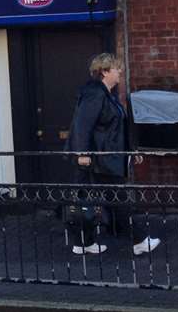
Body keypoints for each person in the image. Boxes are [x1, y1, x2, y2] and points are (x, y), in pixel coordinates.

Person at [64, 53, 160, 257]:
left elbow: (116, 128)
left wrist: (130, 151)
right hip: (98, 160)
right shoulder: (95, 93)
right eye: (116, 69)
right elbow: (82, 123)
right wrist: (82, 153)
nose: (120, 72)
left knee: (90, 199)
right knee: (116, 198)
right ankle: (139, 241)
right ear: (104, 71)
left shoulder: (107, 94)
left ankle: (84, 243)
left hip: (104, 158)